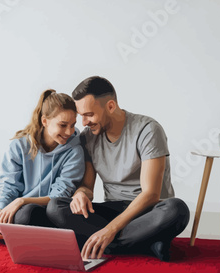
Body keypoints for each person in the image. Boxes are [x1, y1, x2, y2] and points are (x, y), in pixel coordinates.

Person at [46, 76, 190, 262]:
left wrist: (110, 230)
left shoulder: (148, 130)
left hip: (148, 210)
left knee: (176, 209)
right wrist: (81, 193)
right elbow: (88, 186)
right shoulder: (88, 137)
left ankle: (107, 243)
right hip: (114, 208)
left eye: (89, 114)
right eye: (81, 115)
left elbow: (151, 194)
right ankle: (145, 243)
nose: (83, 122)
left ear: (111, 106)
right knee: (56, 207)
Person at [0, 89, 85, 240]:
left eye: (73, 124)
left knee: (28, 214)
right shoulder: (20, 144)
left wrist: (21, 201)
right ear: (45, 121)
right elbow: (8, 185)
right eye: (63, 125)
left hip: (41, 213)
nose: (69, 131)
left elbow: (59, 195)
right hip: (14, 210)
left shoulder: (74, 150)